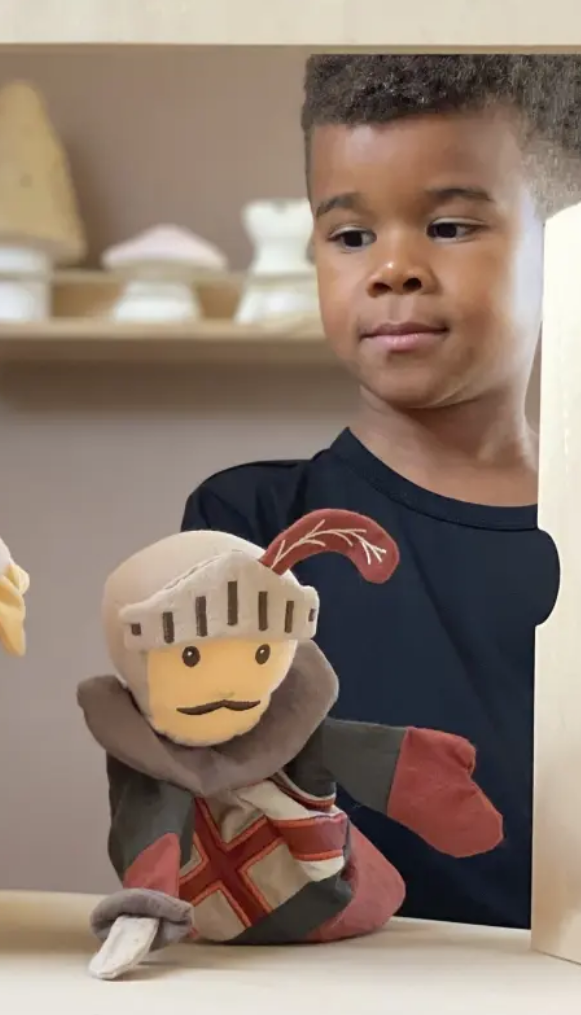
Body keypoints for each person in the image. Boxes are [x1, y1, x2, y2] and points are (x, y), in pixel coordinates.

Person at [181, 54, 581, 931]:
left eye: (446, 226)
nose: (391, 269)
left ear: (565, 242)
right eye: (351, 236)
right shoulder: (246, 529)